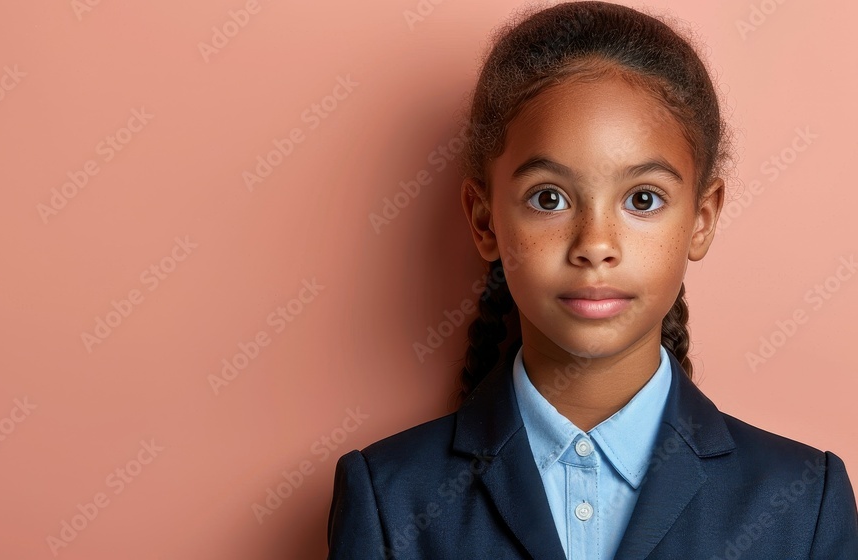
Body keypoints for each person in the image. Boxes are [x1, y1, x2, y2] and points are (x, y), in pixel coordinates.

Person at [325, 2, 858, 559]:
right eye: (548, 198)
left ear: (702, 220)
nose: (595, 245)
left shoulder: (803, 505)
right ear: (485, 221)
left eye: (642, 199)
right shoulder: (389, 497)